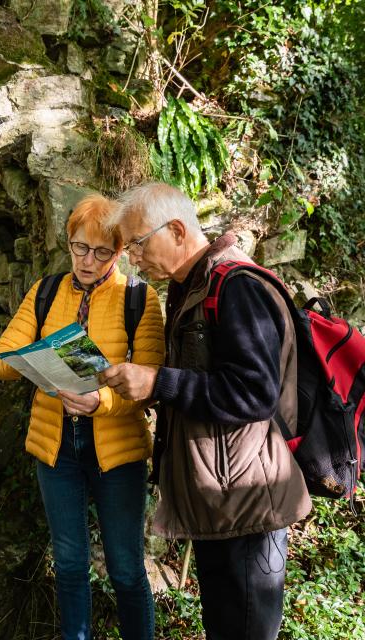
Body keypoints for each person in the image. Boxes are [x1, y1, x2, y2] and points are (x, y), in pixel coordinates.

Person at [99, 182, 312, 640]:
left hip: (251, 505)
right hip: (221, 500)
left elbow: (255, 394)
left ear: (176, 229)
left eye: (137, 244)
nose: (132, 259)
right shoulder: (191, 284)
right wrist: (150, 386)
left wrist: (159, 381)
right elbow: (204, 380)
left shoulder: (236, 286)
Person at [0, 194, 165, 640]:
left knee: (125, 568)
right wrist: (31, 362)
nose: (87, 260)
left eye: (102, 251)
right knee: (68, 563)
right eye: (79, 248)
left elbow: (150, 382)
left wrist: (101, 401)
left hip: (116, 450)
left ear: (121, 251)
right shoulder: (45, 291)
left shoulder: (140, 298)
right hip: (56, 449)